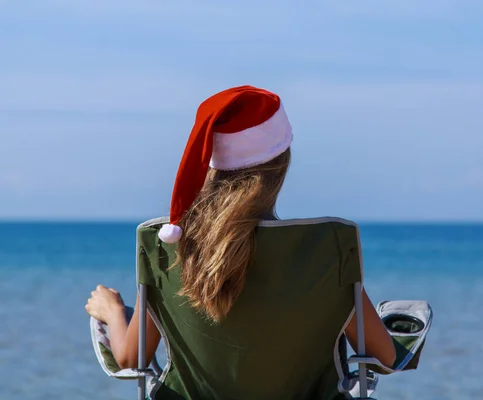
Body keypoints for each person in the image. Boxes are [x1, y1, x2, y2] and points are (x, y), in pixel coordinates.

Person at [85, 85, 396, 398]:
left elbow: (130, 358)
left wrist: (112, 311)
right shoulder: (323, 252)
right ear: (282, 165)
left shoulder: (172, 248)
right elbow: (385, 356)